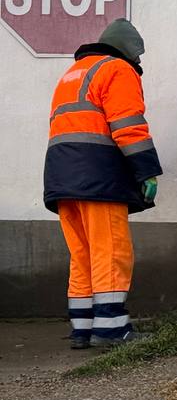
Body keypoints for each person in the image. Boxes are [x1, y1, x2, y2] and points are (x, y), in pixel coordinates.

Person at [43, 18, 161, 349]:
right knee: (111, 250)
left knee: (82, 254)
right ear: (129, 51)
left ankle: (82, 328)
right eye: (137, 57)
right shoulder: (117, 69)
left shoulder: (73, 74)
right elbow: (129, 126)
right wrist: (146, 171)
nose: (138, 64)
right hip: (97, 176)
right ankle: (111, 329)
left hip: (61, 176)